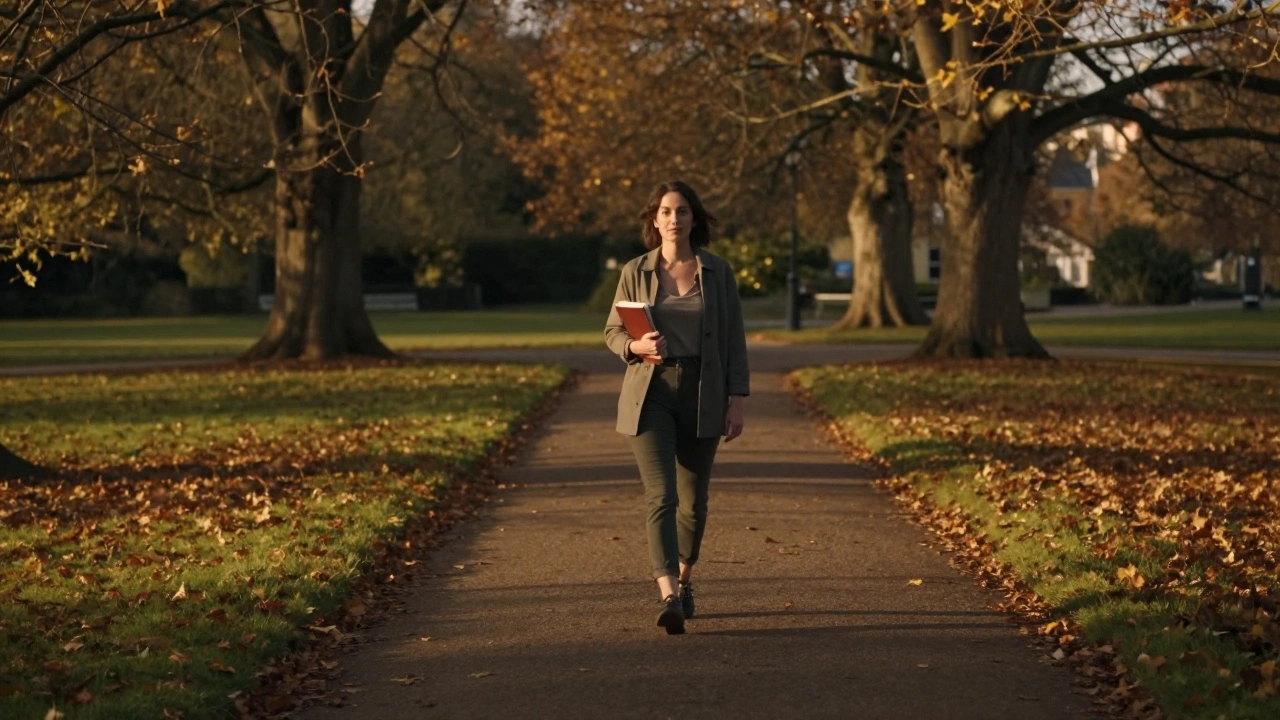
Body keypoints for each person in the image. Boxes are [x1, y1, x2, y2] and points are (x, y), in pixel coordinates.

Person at [604, 180, 750, 635]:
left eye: (682, 211)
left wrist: (737, 400)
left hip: (703, 394)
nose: (674, 219)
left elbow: (733, 339)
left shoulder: (717, 272)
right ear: (654, 219)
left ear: (693, 218)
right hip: (650, 394)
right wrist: (635, 345)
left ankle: (685, 580)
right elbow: (612, 331)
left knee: (693, 505)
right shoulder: (635, 270)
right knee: (661, 496)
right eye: (665, 211)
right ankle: (667, 593)